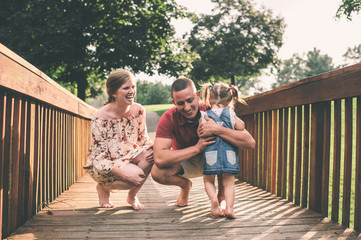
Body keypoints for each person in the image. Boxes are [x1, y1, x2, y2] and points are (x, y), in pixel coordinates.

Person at [151, 77, 255, 209]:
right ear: (173, 102)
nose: (187, 107)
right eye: (181, 103)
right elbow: (159, 158)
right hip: (188, 160)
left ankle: (221, 199)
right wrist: (197, 147)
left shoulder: (212, 109)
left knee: (222, 151)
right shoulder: (169, 117)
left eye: (190, 100)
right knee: (157, 172)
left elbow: (250, 142)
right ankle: (185, 186)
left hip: (216, 157)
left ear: (198, 95)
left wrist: (218, 129)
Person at [84, 69, 154, 210]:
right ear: (114, 93)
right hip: (106, 164)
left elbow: (143, 140)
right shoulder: (100, 118)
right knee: (134, 176)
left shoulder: (139, 110)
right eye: (126, 88)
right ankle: (103, 187)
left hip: (129, 155)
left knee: (151, 154)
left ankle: (132, 196)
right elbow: (99, 159)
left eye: (133, 87)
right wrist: (124, 174)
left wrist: (160, 152)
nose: (131, 91)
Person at [200, 82, 247, 219]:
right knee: (229, 183)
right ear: (230, 100)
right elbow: (241, 126)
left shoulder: (205, 115)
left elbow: (201, 133)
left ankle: (214, 201)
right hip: (229, 154)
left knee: (208, 181)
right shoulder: (230, 113)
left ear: (209, 98)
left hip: (210, 153)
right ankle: (230, 209)